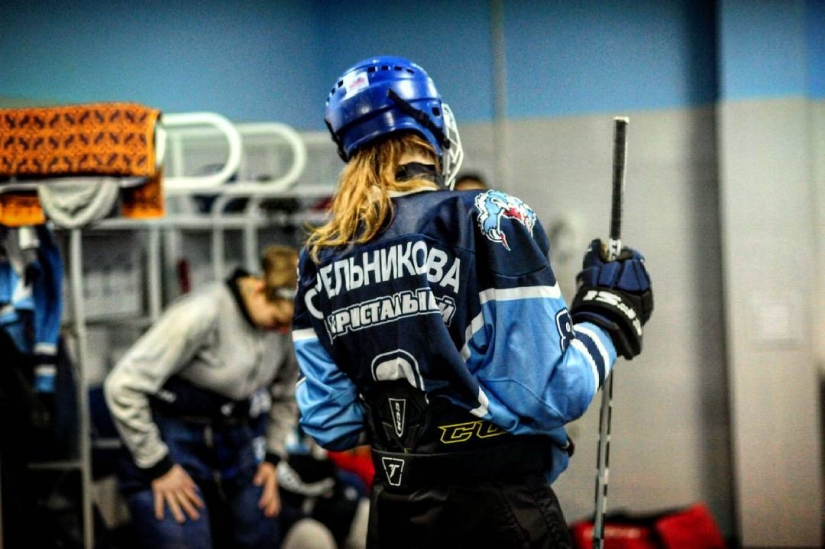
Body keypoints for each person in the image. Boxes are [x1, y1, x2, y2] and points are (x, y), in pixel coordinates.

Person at [291, 55, 654, 548]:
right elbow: (555, 393)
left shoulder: (321, 256)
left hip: (395, 517)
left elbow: (330, 422)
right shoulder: (487, 216)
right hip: (497, 515)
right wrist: (606, 316)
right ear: (431, 123)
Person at [104, 245, 300, 549]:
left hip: (236, 441)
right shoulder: (202, 312)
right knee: (185, 539)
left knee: (261, 531)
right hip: (173, 441)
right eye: (277, 321)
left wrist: (273, 458)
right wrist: (158, 465)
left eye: (288, 325)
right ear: (260, 289)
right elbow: (122, 386)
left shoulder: (285, 329)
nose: (282, 331)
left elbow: (288, 394)